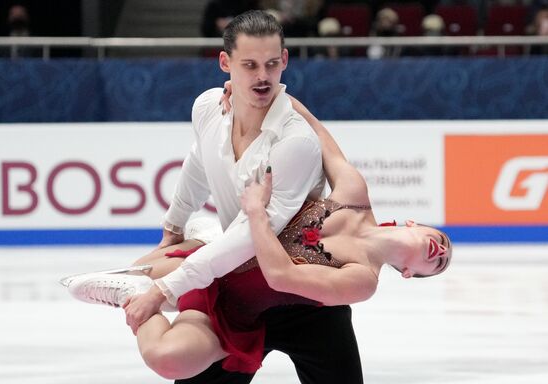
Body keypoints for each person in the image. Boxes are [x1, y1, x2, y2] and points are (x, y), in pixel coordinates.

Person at [63, 9, 365, 384]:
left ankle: (163, 269)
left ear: (285, 61)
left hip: (307, 302)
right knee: (176, 360)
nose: (262, 77)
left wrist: (165, 288)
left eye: (272, 65)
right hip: (236, 293)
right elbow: (198, 161)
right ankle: (158, 268)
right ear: (225, 63)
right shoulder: (208, 107)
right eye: (249, 65)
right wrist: (174, 222)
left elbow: (249, 236)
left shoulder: (296, 142)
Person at [64, 90, 452, 381]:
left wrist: (255, 212)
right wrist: (262, 93)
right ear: (417, 224)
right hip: (227, 267)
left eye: (438, 264)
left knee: (167, 359)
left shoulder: (362, 280)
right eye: (443, 244)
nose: (441, 252)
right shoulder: (353, 194)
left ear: (409, 273)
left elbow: (280, 276)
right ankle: (200, 243)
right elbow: (314, 130)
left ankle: (138, 289)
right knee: (144, 267)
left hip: (247, 309)